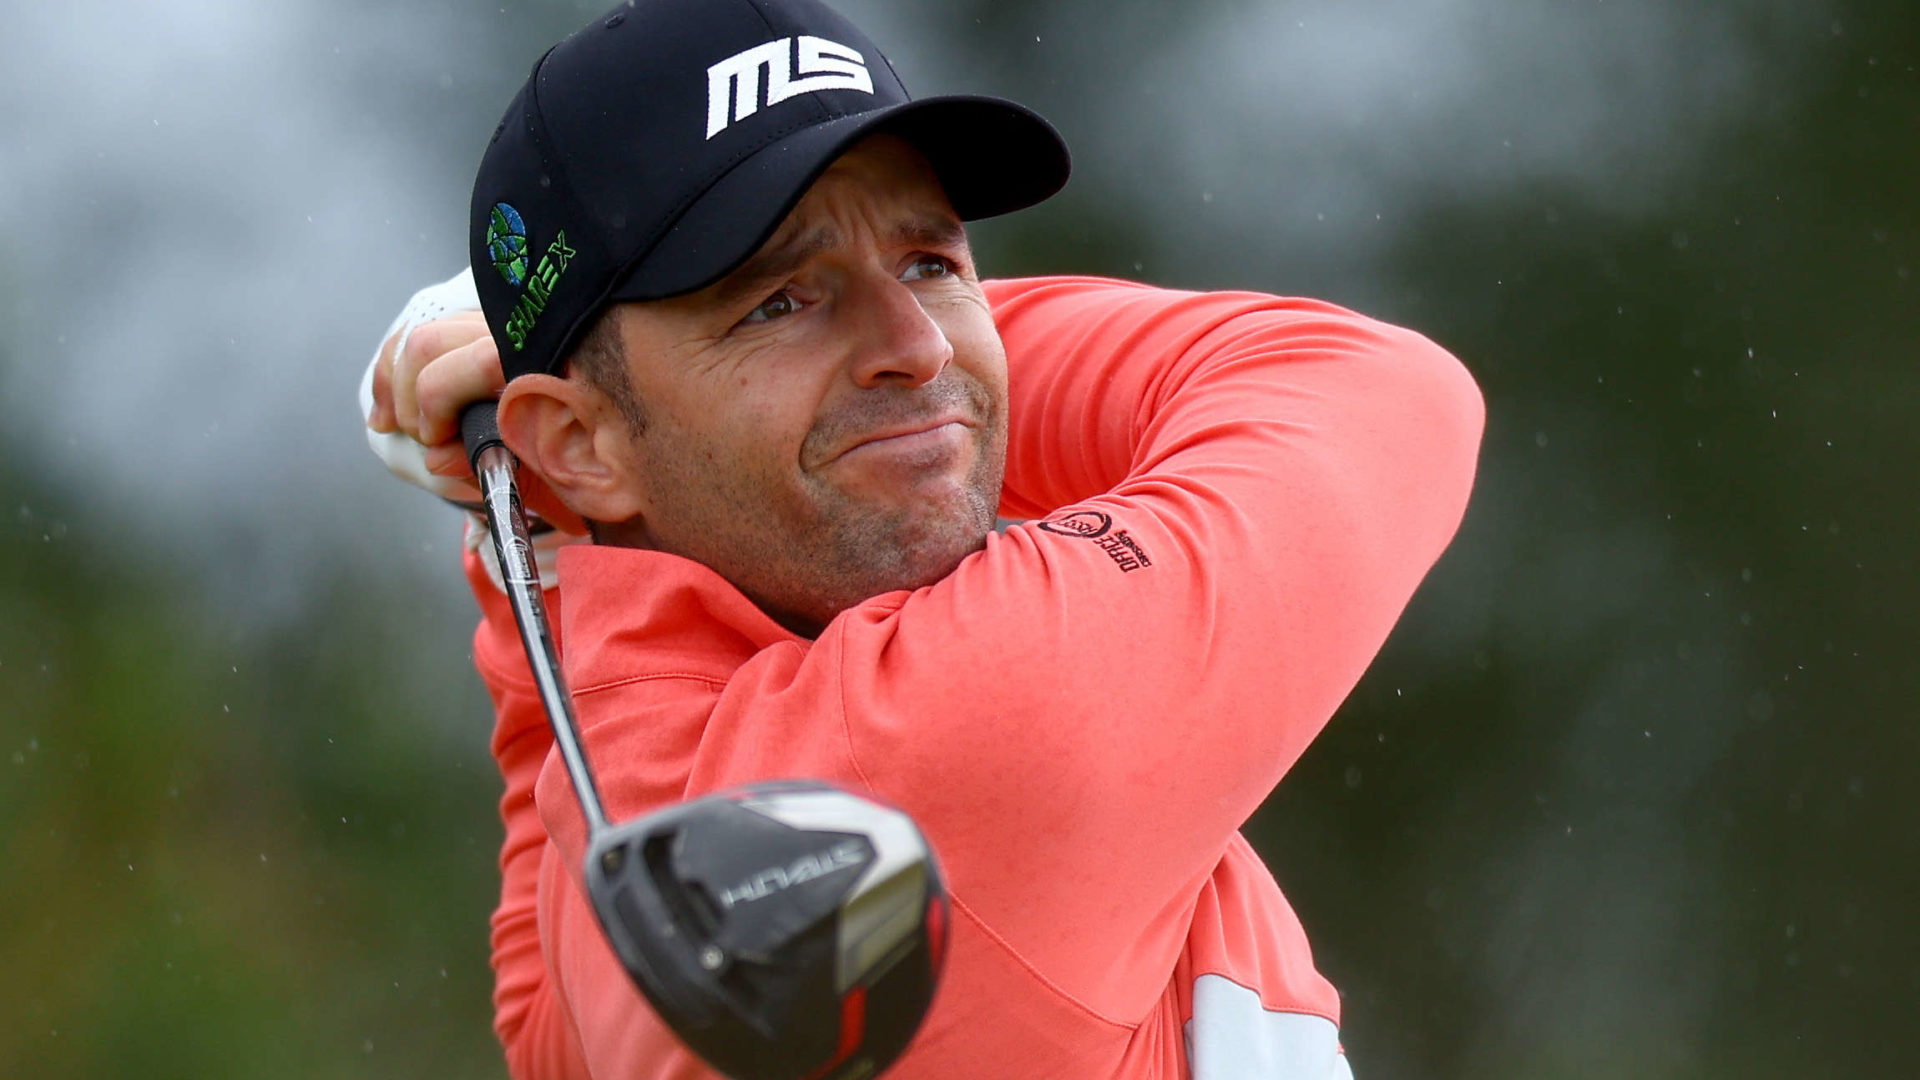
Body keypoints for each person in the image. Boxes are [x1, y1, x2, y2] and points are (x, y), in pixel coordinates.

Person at [360, 0, 1484, 1076]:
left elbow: (541, 1020)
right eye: (777, 301)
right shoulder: (972, 714)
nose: (919, 346)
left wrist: (535, 508)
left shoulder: (634, 854)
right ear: (581, 442)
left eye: (932, 264)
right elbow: (1380, 388)